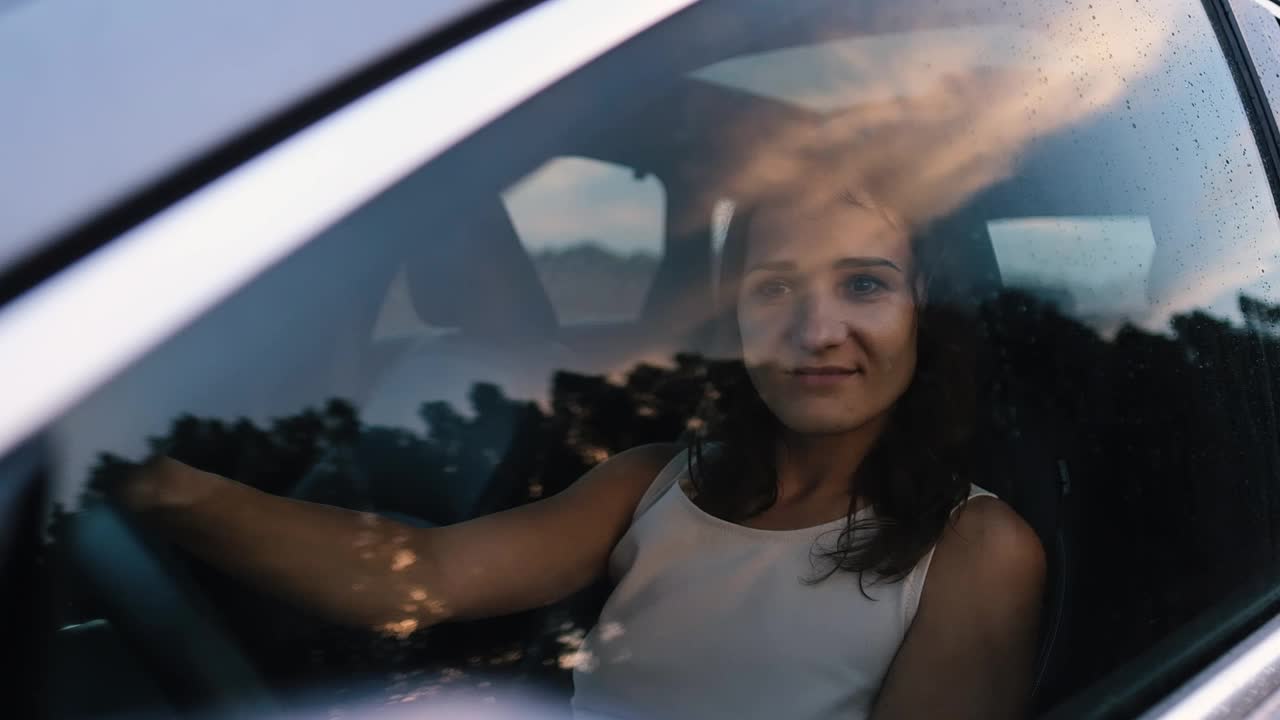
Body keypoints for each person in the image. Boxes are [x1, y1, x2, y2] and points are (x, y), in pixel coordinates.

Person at [117, 174, 1046, 719]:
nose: (817, 330)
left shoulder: (973, 550)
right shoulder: (657, 483)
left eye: (865, 285)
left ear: (926, 308)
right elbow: (422, 576)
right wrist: (158, 490)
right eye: (774, 290)